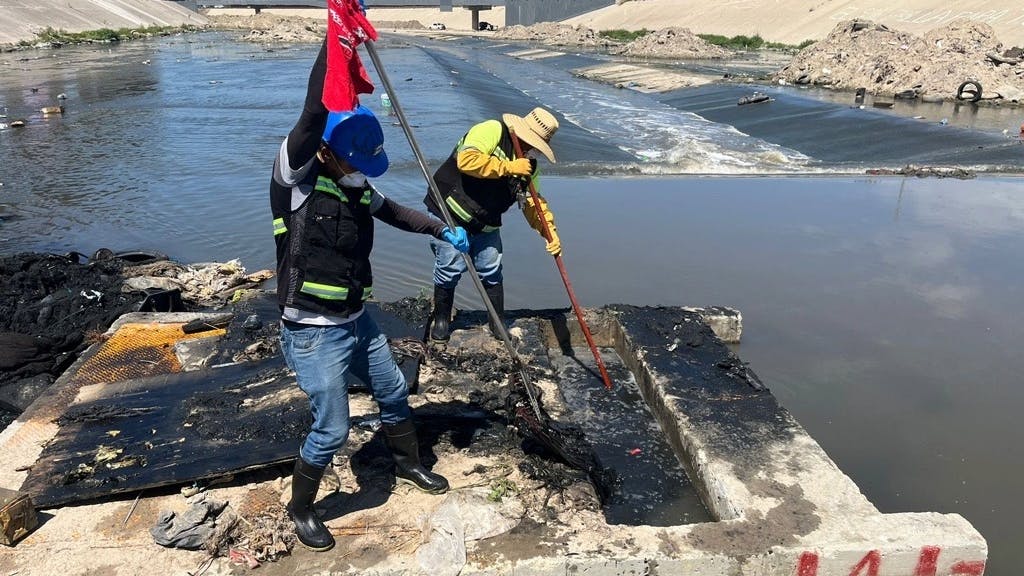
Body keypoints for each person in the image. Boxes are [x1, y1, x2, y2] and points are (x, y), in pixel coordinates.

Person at [269, 40, 470, 552]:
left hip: (357, 320)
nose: (359, 169)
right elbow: (313, 113)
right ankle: (301, 508)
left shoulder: (355, 183)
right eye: (351, 159)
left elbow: (396, 212)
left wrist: (441, 229)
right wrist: (334, 41)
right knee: (332, 429)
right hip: (313, 330)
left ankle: (408, 465)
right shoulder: (295, 181)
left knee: (395, 391)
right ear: (325, 151)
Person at [424, 107, 560, 342]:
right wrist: (508, 167)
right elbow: (467, 160)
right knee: (449, 267)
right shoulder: (492, 130)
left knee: (491, 269)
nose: (532, 149)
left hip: (486, 222)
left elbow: (533, 203)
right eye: (530, 143)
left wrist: (549, 232)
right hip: (450, 212)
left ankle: (497, 323)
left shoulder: (529, 166)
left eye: (536, 146)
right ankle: (442, 319)